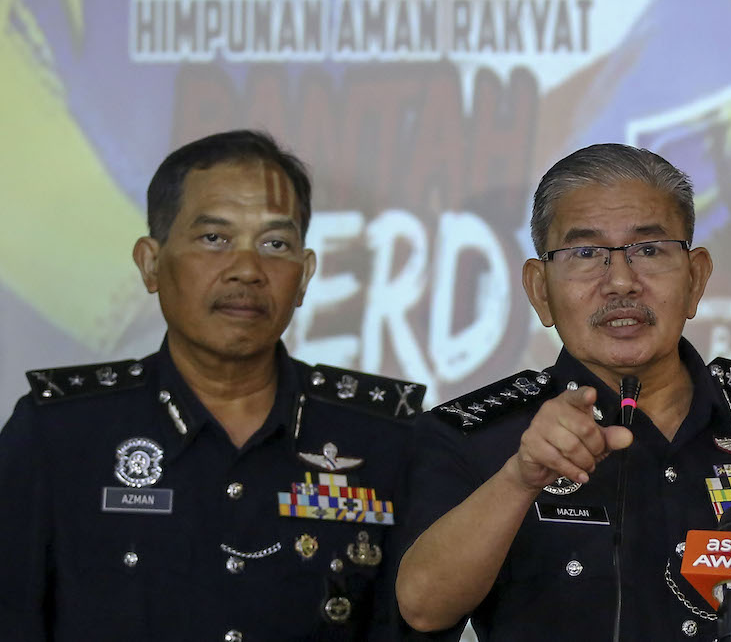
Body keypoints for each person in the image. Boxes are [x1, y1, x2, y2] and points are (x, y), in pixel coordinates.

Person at [395, 143, 731, 641]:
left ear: (695, 279)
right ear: (540, 289)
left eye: (648, 250)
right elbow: (422, 608)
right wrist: (520, 480)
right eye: (586, 253)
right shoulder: (474, 438)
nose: (622, 282)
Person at [0, 130, 425, 641]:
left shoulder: (382, 437)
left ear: (305, 275)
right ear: (150, 263)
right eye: (214, 238)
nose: (247, 270)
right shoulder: (58, 433)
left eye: (275, 244)